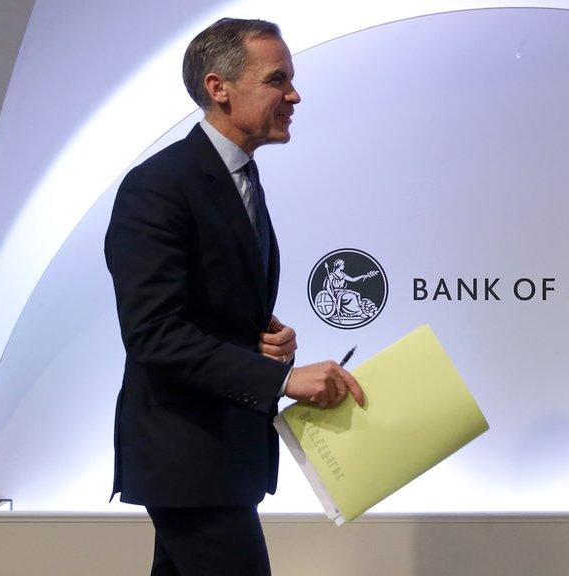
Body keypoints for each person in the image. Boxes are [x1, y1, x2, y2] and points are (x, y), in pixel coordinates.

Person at [104, 18, 365, 575]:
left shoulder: (240, 177)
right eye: (277, 80)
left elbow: (204, 312)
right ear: (218, 87)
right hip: (187, 458)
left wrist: (260, 342)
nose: (294, 95)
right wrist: (282, 380)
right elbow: (154, 333)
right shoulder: (158, 186)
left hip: (220, 457)